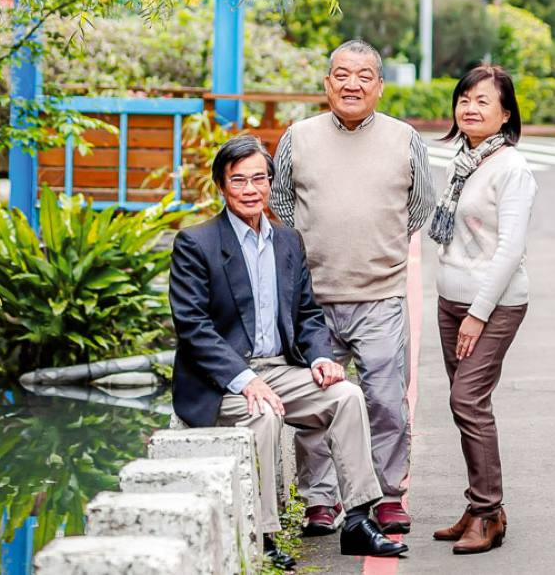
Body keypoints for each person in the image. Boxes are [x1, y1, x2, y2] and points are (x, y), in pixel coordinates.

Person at [169, 135, 409, 569]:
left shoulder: (287, 241)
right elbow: (194, 328)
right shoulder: (196, 243)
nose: (250, 190)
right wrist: (247, 381)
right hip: (222, 381)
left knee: (347, 396)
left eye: (259, 179)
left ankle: (356, 519)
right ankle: (264, 535)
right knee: (264, 413)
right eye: (238, 180)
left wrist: (320, 357)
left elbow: (307, 313)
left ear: (270, 182)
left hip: (280, 370)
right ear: (221, 186)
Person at [270, 39, 435, 536]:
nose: (352, 84)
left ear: (380, 86)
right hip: (313, 300)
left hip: (380, 295)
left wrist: (376, 241)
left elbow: (420, 207)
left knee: (384, 400)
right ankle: (320, 501)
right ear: (327, 83)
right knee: (318, 401)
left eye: (365, 75)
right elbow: (281, 202)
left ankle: (387, 495)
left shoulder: (404, 138)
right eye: (342, 74)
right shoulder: (297, 136)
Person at [428, 65, 537, 554]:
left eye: (483, 101)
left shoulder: (512, 169)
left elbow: (510, 249)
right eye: (464, 99)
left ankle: (488, 511)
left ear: (506, 113)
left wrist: (478, 313)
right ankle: (480, 508)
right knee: (466, 404)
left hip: (492, 304)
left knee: (467, 401)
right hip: (451, 300)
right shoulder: (465, 159)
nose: (470, 108)